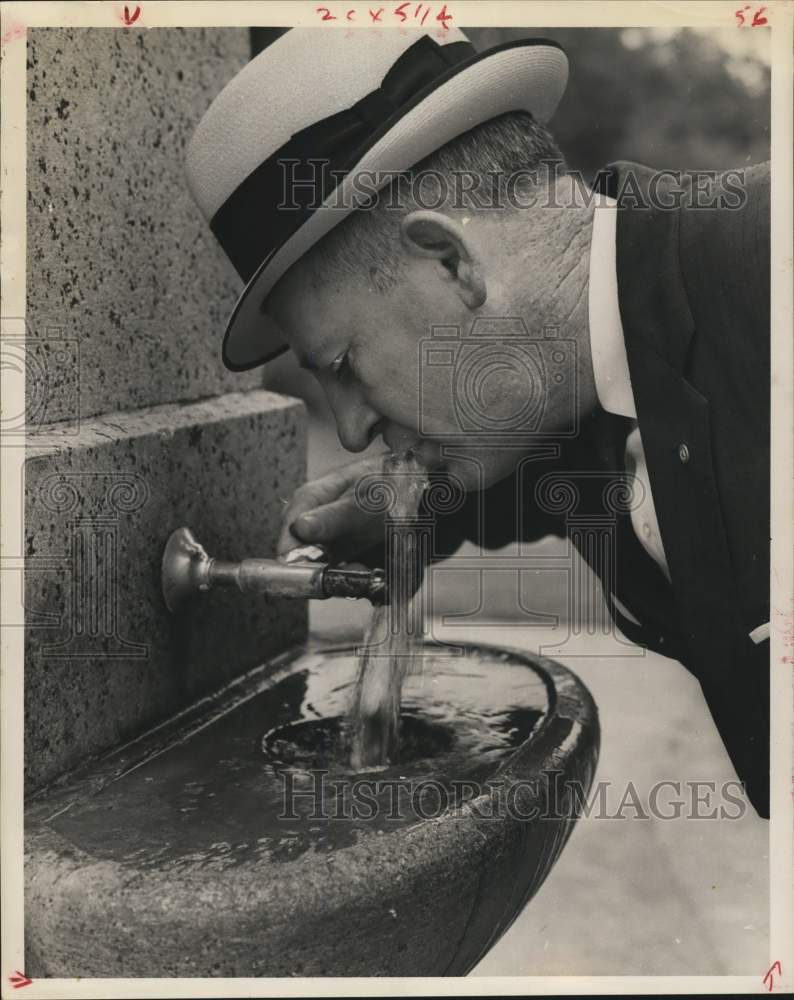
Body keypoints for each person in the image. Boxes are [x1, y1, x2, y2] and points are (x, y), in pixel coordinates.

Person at [185, 27, 770, 816]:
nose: (352, 431)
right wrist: (424, 510)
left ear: (452, 262)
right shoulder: (579, 386)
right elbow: (564, 471)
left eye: (343, 366)